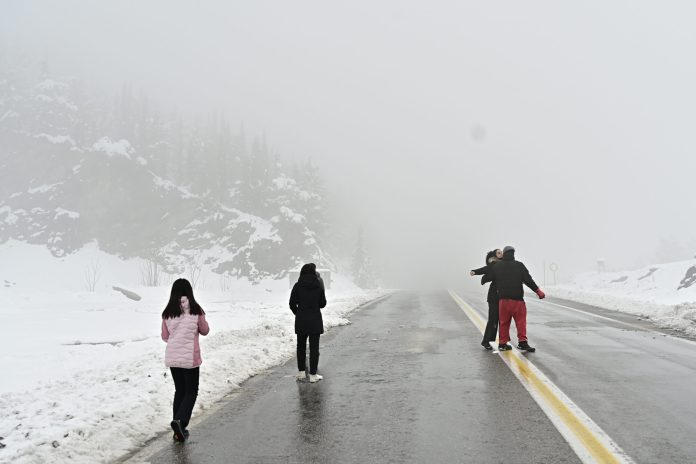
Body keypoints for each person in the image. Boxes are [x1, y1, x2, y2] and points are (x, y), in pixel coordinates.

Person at [161, 278, 210, 442]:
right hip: (190, 358)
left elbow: (165, 336)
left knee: (180, 391)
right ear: (189, 292)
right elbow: (205, 330)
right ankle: (180, 422)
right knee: (191, 391)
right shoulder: (196, 310)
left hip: (173, 357)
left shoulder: (168, 312)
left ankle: (178, 428)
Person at [483, 246, 545, 352]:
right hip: (518, 300)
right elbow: (528, 280)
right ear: (513, 254)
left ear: (504, 254)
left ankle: (502, 344)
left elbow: (487, 278)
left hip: (503, 301)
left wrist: (484, 276)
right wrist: (538, 291)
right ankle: (522, 343)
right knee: (520, 322)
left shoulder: (498, 266)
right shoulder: (519, 265)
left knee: (504, 322)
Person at [289, 263, 327, 383]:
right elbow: (323, 304)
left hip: (301, 320)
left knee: (301, 346)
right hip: (315, 320)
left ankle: (301, 373)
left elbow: (291, 303)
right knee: (314, 348)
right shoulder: (318, 285)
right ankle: (313, 375)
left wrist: (298, 313)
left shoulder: (298, 285)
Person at [470, 248, 503, 350]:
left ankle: (502, 342)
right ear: (494, 256)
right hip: (493, 297)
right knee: (493, 320)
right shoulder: (493, 265)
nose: (501, 253)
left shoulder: (505, 263)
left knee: (502, 321)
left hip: (503, 297)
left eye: (501, 252)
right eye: (498, 252)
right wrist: (474, 271)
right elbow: (484, 269)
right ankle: (486, 341)